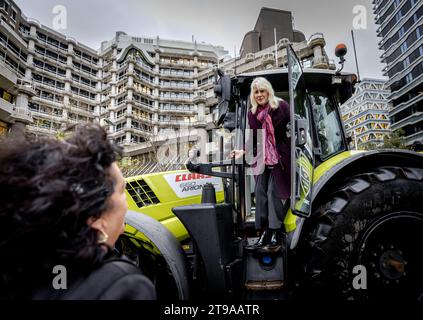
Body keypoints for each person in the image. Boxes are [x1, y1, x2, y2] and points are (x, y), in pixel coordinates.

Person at [0, 124, 156, 300]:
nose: (126, 201)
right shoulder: (122, 286)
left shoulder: (17, 267)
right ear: (95, 217)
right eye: (122, 191)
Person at [231, 77, 291, 248]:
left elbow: (292, 127)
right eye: (256, 92)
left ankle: (275, 231)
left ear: (268, 91)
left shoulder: (281, 106)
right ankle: (264, 230)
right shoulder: (252, 113)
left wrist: (289, 147)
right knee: (259, 191)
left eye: (262, 91)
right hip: (262, 157)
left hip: (280, 157)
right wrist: (243, 150)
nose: (259, 95)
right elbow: (255, 138)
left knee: (273, 191)